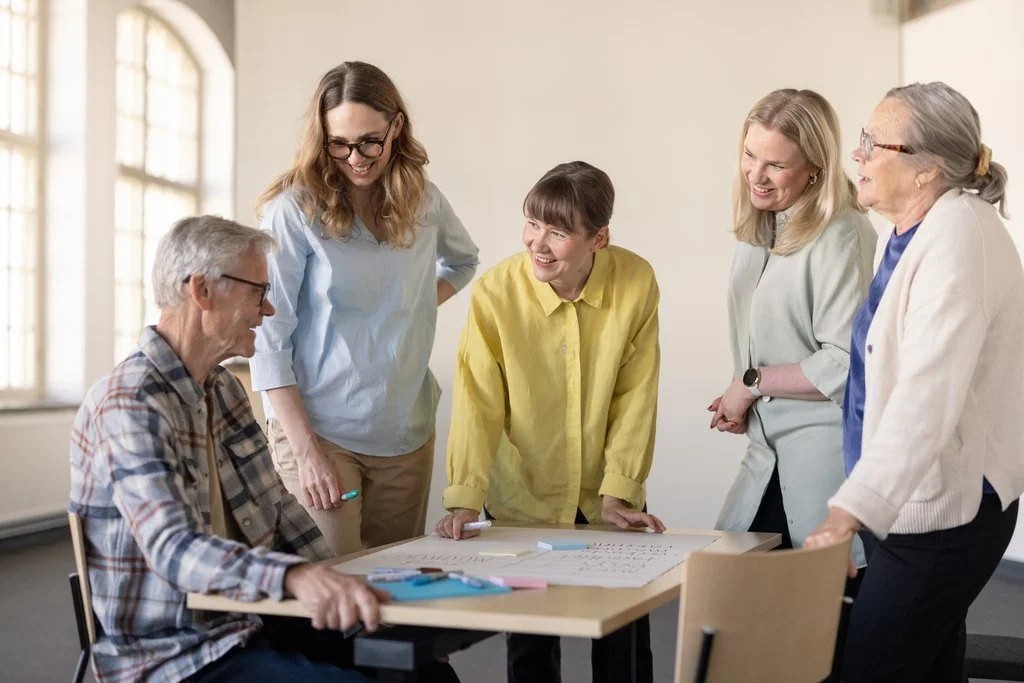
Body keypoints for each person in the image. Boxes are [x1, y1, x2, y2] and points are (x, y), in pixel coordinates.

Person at [69, 216, 460, 682]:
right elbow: (173, 549)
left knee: (425, 668)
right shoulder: (130, 403)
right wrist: (293, 577)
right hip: (177, 652)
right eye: (259, 292)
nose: (269, 309)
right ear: (202, 291)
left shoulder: (224, 390)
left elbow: (280, 511)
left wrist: (345, 585)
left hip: (254, 619)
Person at [806, 82, 1024, 682]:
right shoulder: (915, 231)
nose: (858, 154)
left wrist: (845, 515)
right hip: (912, 504)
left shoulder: (959, 239)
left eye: (874, 142)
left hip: (946, 514)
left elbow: (926, 398)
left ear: (927, 169)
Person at [435, 161, 664, 683]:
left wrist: (620, 490)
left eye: (558, 232)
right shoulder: (495, 293)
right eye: (532, 223)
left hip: (607, 493)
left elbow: (636, 394)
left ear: (598, 238)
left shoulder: (635, 281)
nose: (537, 244)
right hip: (525, 491)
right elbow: (477, 402)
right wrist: (464, 496)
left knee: (624, 645)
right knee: (531, 650)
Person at [252, 62, 480, 556]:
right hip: (320, 433)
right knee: (334, 582)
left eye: (370, 142)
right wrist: (306, 452)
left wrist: (413, 306)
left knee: (395, 585)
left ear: (396, 127)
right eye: (339, 143)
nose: (355, 158)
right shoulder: (294, 210)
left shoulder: (424, 201)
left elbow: (462, 262)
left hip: (404, 432)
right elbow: (268, 339)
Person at [711, 89, 875, 570]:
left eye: (776, 165)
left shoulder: (842, 233)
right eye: (750, 155)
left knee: (811, 604)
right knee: (724, 583)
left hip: (819, 464)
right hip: (766, 452)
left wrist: (750, 384)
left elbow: (845, 363)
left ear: (814, 169)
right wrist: (742, 394)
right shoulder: (761, 226)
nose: (755, 174)